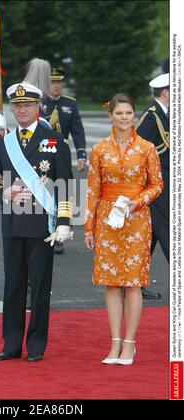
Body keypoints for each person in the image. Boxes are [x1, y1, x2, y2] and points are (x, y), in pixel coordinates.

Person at [0, 82, 73, 362]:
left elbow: (66, 184)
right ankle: (11, 344)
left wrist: (64, 221)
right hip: (13, 224)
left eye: (27, 105)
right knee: (12, 286)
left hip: (41, 226)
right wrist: (4, 191)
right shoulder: (4, 143)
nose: (22, 110)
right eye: (17, 106)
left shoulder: (54, 141)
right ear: (12, 109)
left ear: (38, 108)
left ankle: (36, 345)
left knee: (39, 287)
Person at [84, 93, 163, 365]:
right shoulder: (99, 150)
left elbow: (157, 185)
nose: (124, 117)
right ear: (110, 116)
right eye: (119, 113)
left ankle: (130, 344)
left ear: (134, 115)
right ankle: (114, 343)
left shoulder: (147, 148)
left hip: (136, 219)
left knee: (133, 283)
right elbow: (93, 190)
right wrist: (89, 227)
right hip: (107, 219)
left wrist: (136, 201)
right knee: (111, 283)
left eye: (128, 113)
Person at [42, 67, 87, 254]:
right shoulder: (39, 102)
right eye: (52, 82)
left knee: (63, 191)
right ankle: (46, 229)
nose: (56, 86)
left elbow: (77, 130)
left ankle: (60, 232)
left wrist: (82, 154)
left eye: (59, 82)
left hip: (63, 152)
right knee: (45, 191)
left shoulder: (70, 103)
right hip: (44, 151)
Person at [136, 73, 169, 300]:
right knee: (169, 234)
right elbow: (136, 149)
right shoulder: (152, 117)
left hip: (167, 185)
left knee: (151, 238)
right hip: (157, 188)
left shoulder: (167, 115)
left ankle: (135, 284)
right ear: (166, 92)